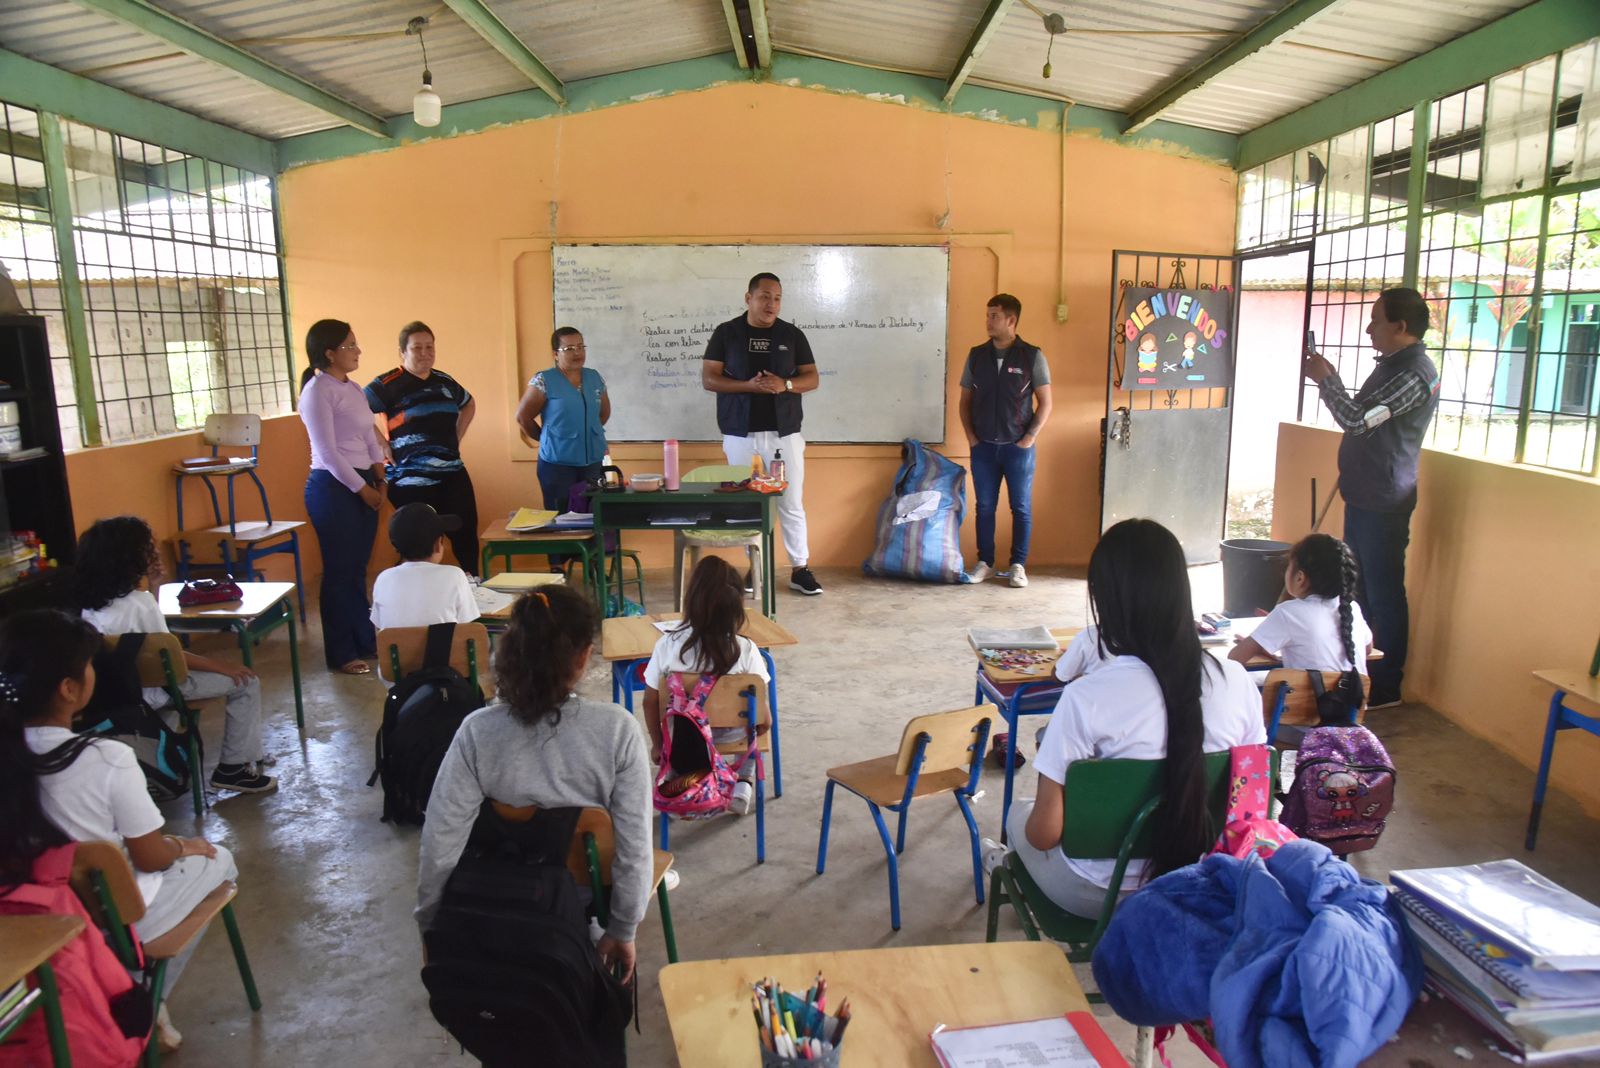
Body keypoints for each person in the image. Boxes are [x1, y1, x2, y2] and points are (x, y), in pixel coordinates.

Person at [1, 609, 239, 1050]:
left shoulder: (12, 757)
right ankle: (143, 996)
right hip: (109, 919)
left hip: (27, 923)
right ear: (69, 689)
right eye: (88, 665)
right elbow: (151, 857)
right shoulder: (105, 758)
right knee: (220, 859)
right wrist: (183, 845)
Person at [1004, 519, 1265, 917]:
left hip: (1098, 893)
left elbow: (1044, 835)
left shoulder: (1085, 697)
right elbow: (1250, 805)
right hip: (1204, 878)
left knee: (1018, 816)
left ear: (1104, 600)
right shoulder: (1236, 681)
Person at [417, 585, 650, 984]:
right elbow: (634, 847)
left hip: (495, 899)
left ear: (509, 651)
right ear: (583, 657)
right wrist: (623, 929)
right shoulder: (618, 731)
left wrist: (432, 923)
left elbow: (440, 840)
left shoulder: (476, 732)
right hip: (582, 901)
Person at [1302, 288, 1439, 709]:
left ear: (1401, 326)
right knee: (1356, 591)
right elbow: (1365, 417)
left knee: (1383, 596)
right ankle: (1356, 674)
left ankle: (1386, 685)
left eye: (1376, 320)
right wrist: (1331, 380)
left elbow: (1358, 421)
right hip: (1364, 494)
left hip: (1384, 501)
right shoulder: (1392, 367)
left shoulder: (1414, 375)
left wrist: (1327, 380)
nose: (1368, 329)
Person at [77, 516, 275, 795]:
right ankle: (233, 768)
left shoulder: (89, 607)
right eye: (148, 548)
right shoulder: (142, 603)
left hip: (117, 693)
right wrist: (222, 666)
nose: (154, 552)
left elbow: (146, 640)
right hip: (157, 690)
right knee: (247, 682)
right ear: (131, 559)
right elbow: (169, 656)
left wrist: (154, 586)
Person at [702, 273, 823, 597]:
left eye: (777, 298)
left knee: (791, 502)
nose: (771, 304)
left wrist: (785, 384)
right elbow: (710, 379)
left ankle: (800, 569)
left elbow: (812, 378)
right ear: (749, 298)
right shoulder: (726, 333)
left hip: (784, 435)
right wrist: (748, 386)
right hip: (741, 435)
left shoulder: (791, 334)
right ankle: (756, 567)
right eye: (765, 297)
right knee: (749, 505)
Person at [641, 556, 768, 816]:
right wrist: (761, 726)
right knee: (753, 732)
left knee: (679, 731)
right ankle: (742, 783)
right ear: (738, 608)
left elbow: (649, 702)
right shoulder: (746, 649)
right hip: (733, 737)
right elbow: (764, 719)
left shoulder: (667, 646)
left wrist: (658, 745)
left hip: (684, 740)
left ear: (691, 602)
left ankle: (677, 780)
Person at [300, 318, 387, 675]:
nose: (357, 351)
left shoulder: (352, 388)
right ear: (329, 353)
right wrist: (361, 489)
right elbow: (328, 452)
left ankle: (364, 639)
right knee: (339, 572)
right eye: (349, 346)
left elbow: (368, 433)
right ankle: (341, 652)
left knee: (357, 570)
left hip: (363, 481)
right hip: (333, 488)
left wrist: (379, 472)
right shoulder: (317, 391)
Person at [364, 321, 480, 575]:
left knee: (465, 531)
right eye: (417, 348)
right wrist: (381, 443)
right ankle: (409, 588)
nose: (425, 353)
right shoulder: (387, 383)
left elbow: (469, 403)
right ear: (402, 352)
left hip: (451, 473)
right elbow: (357, 412)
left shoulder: (444, 381)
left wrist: (457, 436)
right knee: (417, 541)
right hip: (409, 479)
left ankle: (473, 583)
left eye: (430, 347)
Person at [959, 294, 1053, 589]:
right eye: (988, 315)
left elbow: (1046, 403)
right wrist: (972, 438)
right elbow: (964, 402)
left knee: (1021, 507)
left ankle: (1018, 565)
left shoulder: (1032, 356)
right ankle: (985, 563)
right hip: (984, 448)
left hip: (1018, 449)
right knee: (985, 507)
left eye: (994, 316)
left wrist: (1029, 438)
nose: (988, 321)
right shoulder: (976, 356)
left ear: (1011, 320)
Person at [1228, 533, 1374, 694]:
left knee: (1240, 681)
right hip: (1352, 706)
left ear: (1300, 578)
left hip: (1300, 708)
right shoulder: (1352, 608)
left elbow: (1234, 658)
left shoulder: (1288, 612)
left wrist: (1258, 643)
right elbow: (1368, 649)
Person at [370, 503, 480, 683]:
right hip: (449, 675)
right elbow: (466, 628)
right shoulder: (455, 575)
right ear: (438, 545)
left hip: (398, 677)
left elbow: (380, 629)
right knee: (479, 646)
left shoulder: (383, 578)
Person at [515, 327, 611, 516]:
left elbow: (603, 414)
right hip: (557, 465)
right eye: (569, 349)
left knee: (595, 517)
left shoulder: (594, 377)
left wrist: (588, 434)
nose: (577, 353)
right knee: (561, 519)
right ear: (555, 354)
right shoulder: (544, 380)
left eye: (581, 347)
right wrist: (545, 438)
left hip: (593, 462)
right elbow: (522, 417)